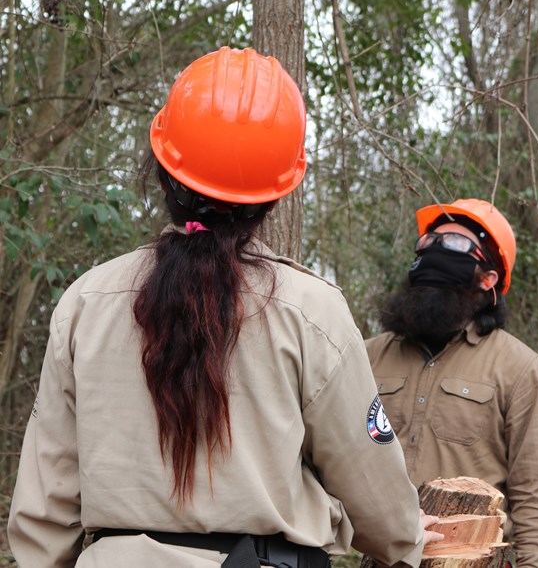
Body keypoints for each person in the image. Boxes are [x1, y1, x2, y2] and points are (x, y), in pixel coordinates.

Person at [7, 47, 443, 568]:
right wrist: (405, 535)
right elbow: (366, 474)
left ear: (164, 168)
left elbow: (43, 513)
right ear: (275, 195)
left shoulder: (85, 304)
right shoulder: (310, 312)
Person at [365, 199, 538, 568]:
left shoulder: (520, 369)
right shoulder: (365, 358)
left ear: (488, 279)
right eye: (428, 243)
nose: (434, 251)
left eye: (455, 245)